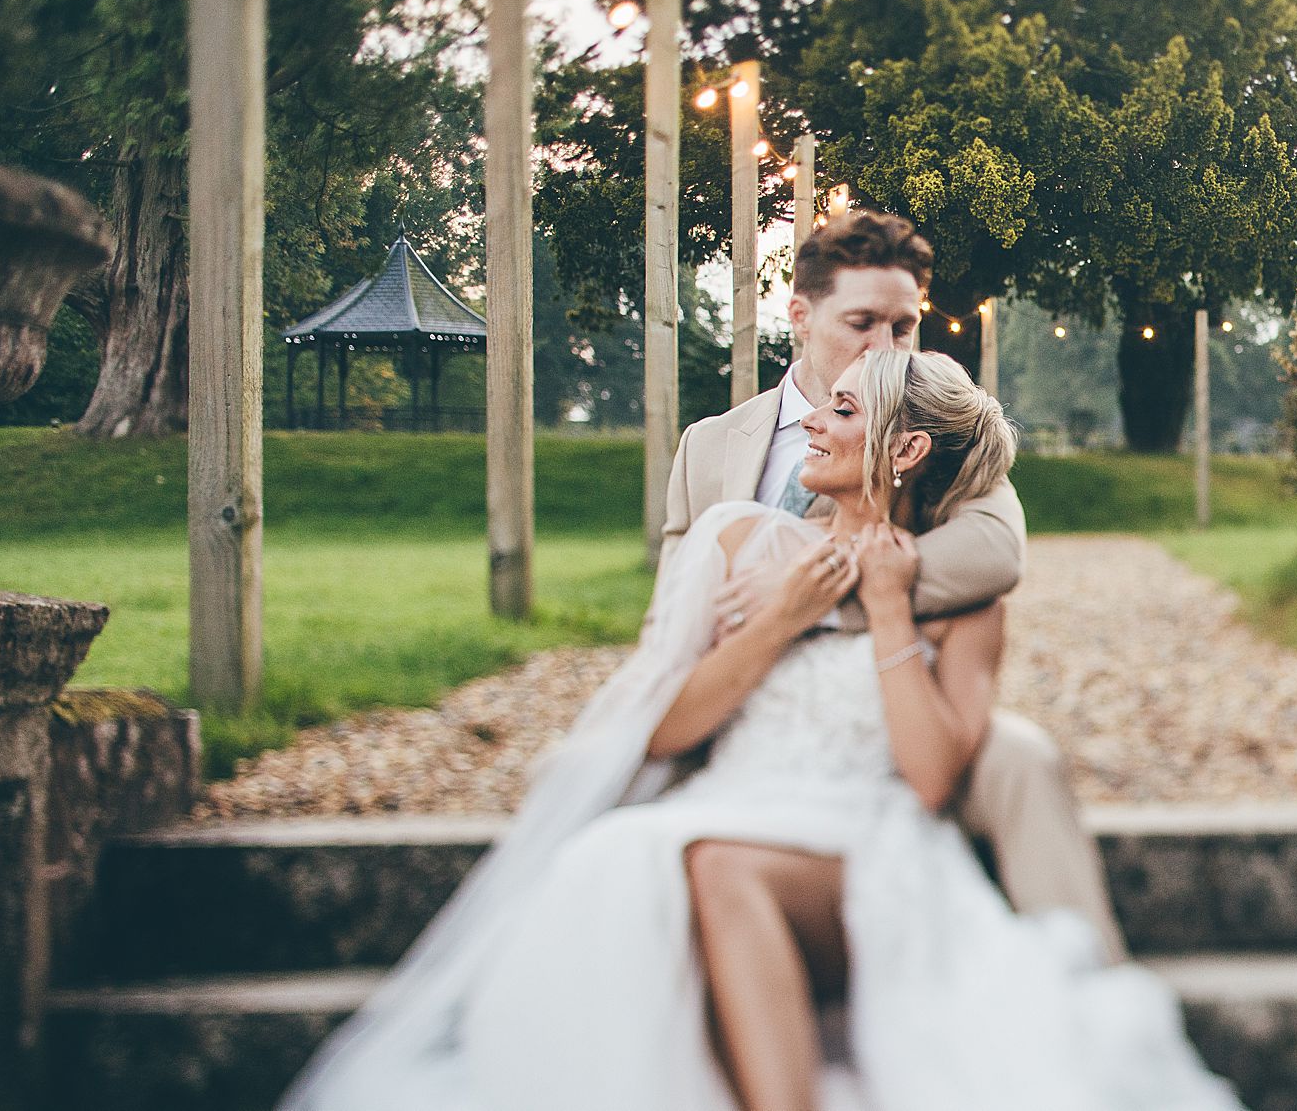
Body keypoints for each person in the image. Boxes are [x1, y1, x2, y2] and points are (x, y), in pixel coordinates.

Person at [283, 348, 1244, 1111]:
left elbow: (931, 782)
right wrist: (780, 621)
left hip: (865, 846)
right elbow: (661, 730)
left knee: (715, 864)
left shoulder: (959, 597)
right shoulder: (737, 541)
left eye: (841, 411)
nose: (812, 425)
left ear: (906, 452)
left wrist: (891, 608)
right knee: (623, 866)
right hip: (732, 799)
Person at [665, 210, 1124, 962]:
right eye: (862, 322)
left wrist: (822, 594)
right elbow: (681, 596)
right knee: (601, 769)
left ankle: (1085, 976)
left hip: (890, 691)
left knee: (1023, 757)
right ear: (802, 317)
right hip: (745, 700)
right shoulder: (710, 445)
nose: (885, 345)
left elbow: (993, 553)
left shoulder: (934, 432)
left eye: (903, 326)